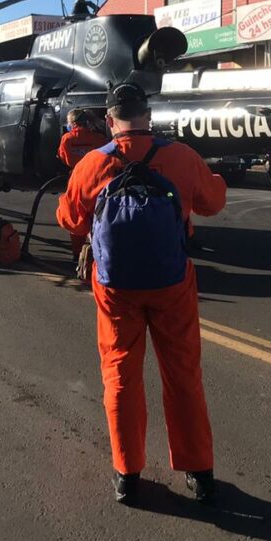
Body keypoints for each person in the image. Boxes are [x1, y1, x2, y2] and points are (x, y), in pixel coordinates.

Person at [56, 83, 227, 505]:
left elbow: (70, 219)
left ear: (111, 121)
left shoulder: (93, 163)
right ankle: (199, 470)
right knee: (183, 373)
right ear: (148, 117)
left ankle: (127, 472)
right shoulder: (182, 157)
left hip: (115, 288)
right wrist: (214, 178)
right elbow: (212, 202)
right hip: (172, 282)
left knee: (120, 375)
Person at [56, 108, 109, 259]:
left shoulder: (67, 138)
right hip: (98, 179)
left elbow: (63, 157)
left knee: (77, 215)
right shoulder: (99, 138)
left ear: (72, 123)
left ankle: (78, 254)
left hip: (77, 179)